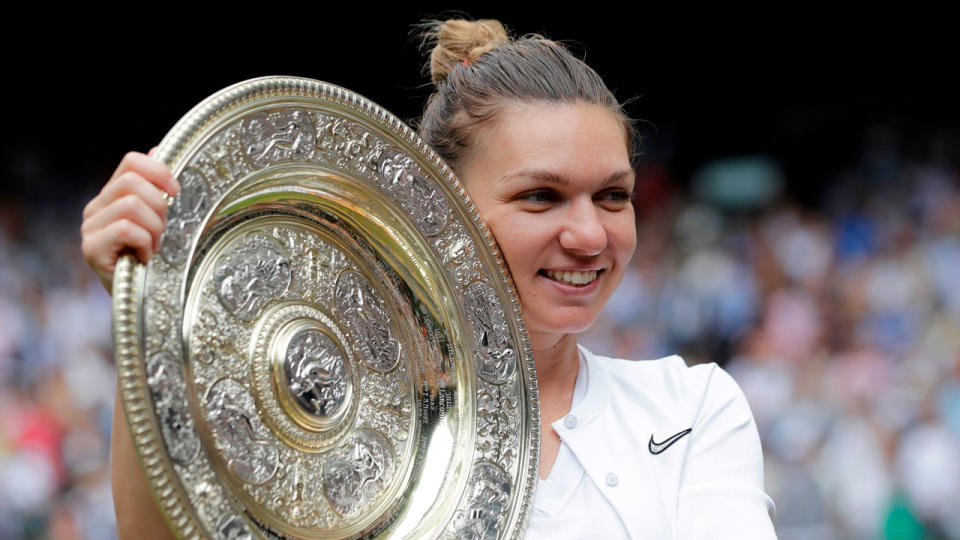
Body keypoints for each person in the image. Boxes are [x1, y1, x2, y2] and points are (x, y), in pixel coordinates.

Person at [81, 18, 776, 539]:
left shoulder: (691, 409)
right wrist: (144, 298)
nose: (590, 234)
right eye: (541, 196)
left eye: (613, 196)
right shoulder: (317, 414)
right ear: (438, 205)